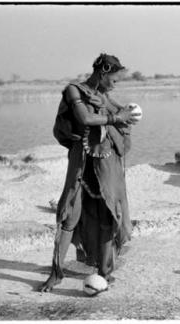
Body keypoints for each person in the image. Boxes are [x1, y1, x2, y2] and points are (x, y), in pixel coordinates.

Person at [40, 53, 140, 292]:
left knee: (107, 212)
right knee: (69, 214)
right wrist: (116, 117)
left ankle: (104, 272)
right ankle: (56, 273)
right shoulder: (74, 90)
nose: (116, 84)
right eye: (114, 78)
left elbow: (124, 123)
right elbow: (84, 117)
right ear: (103, 71)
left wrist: (119, 115)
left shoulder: (105, 98)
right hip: (81, 159)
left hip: (106, 160)